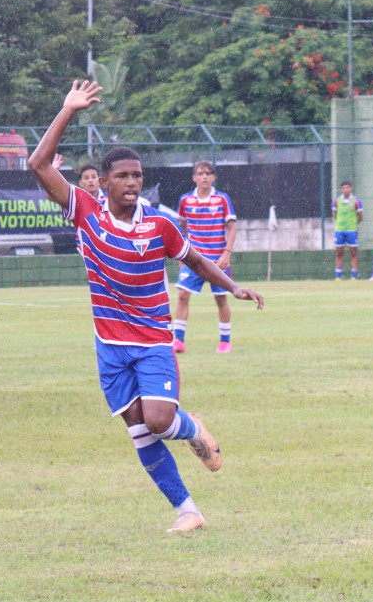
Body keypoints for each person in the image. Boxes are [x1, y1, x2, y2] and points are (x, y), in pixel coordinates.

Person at [27, 80, 264, 535]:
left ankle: (192, 429)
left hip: (154, 339)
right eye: (123, 176)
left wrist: (232, 286)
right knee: (139, 430)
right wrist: (67, 111)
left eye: (137, 175)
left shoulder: (160, 223)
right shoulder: (85, 212)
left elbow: (193, 259)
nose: (132, 182)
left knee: (159, 420)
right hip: (109, 346)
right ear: (106, 181)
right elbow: (38, 164)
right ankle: (188, 512)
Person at [172, 160, 238, 354]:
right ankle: (179, 341)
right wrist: (180, 254)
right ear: (194, 177)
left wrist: (227, 252)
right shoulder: (185, 200)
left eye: (208, 173)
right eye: (200, 173)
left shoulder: (222, 199)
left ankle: (225, 342)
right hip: (193, 259)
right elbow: (181, 227)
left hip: (218, 260)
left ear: (214, 177)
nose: (204, 177)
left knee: (221, 299)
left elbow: (232, 227)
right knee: (183, 295)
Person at [331, 182, 362, 279]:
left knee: (353, 252)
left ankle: (354, 276)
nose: (346, 190)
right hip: (340, 230)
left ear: (351, 188)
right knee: (339, 252)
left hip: (351, 230)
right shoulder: (337, 201)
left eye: (348, 187)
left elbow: (360, 217)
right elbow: (335, 214)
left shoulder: (356, 201)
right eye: (344, 188)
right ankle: (338, 276)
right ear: (341, 190)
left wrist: (352, 224)